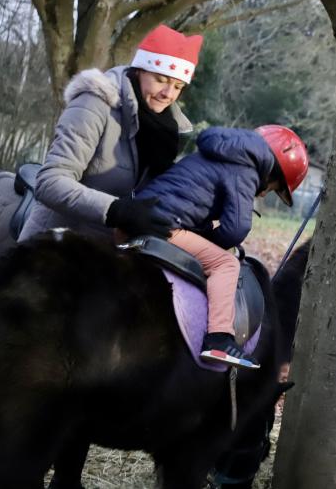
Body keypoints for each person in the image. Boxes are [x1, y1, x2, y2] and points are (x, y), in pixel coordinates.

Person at [137, 125, 309, 368]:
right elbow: (236, 229)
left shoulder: (224, 153)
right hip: (162, 225)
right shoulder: (246, 170)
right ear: (273, 172)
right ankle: (218, 341)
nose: (262, 195)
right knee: (225, 263)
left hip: (140, 215)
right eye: (271, 189)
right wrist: (213, 241)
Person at [18, 24, 204, 242]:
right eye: (161, 80)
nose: (168, 94)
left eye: (178, 86)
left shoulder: (169, 129)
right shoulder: (94, 103)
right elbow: (50, 183)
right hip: (55, 245)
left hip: (114, 252)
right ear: (139, 70)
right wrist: (116, 210)